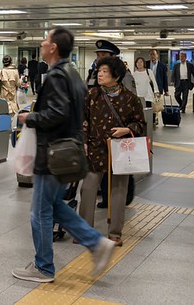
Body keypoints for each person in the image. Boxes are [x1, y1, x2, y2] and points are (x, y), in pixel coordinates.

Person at [12, 26, 115, 283]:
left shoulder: (57, 76)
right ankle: (96, 243)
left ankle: (44, 267)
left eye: (46, 39)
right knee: (54, 206)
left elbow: (56, 114)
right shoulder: (73, 74)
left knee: (40, 211)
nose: (42, 42)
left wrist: (29, 117)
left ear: (54, 47)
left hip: (53, 154)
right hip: (68, 152)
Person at [81, 56, 146, 247]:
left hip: (121, 150)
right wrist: (83, 142)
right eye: (99, 71)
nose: (99, 74)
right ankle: (84, 231)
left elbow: (140, 123)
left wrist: (127, 130)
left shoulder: (130, 99)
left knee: (119, 190)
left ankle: (115, 233)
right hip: (95, 148)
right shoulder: (92, 95)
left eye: (104, 71)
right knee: (88, 188)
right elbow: (83, 121)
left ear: (116, 76)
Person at [146, 49, 169, 124]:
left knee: (156, 103)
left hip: (158, 88)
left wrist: (166, 90)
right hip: (147, 88)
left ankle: (155, 117)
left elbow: (165, 79)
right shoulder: (146, 64)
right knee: (149, 103)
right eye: (151, 54)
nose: (153, 56)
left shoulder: (162, 66)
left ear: (157, 55)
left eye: (154, 54)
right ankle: (151, 118)